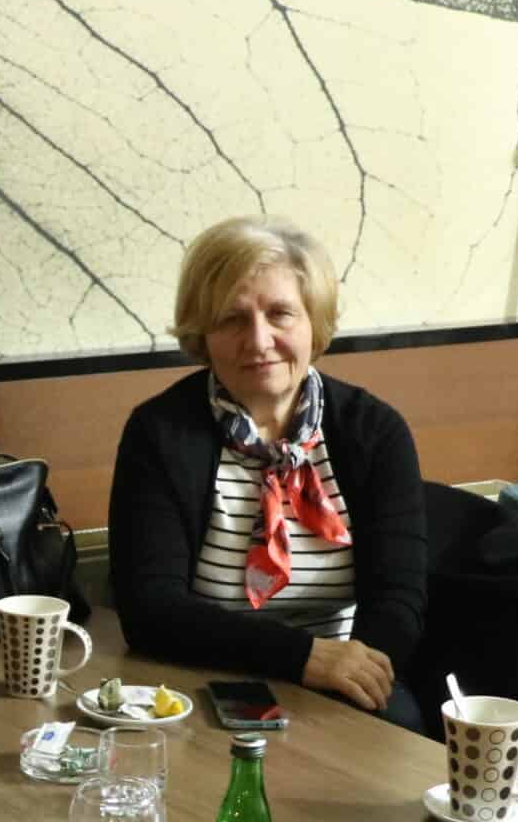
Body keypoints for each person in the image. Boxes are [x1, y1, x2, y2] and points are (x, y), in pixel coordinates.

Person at [109, 217, 430, 729]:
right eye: (232, 319)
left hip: (341, 683)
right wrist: (303, 657)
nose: (259, 341)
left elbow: (399, 603)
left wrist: (345, 676)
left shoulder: (376, 432)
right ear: (203, 333)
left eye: (280, 314)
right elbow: (151, 610)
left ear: (313, 322)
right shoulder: (159, 433)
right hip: (200, 677)